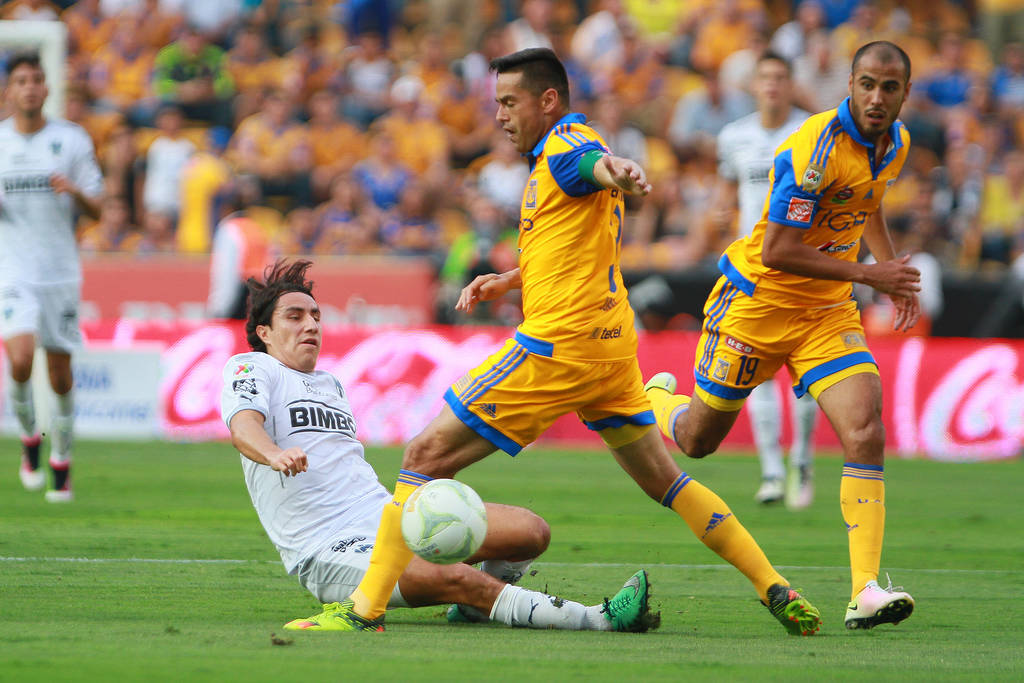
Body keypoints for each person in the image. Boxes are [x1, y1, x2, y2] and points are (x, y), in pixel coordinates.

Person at [332, 48, 822, 635]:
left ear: (548, 100)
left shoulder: (566, 145)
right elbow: (573, 240)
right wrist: (511, 278)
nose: (500, 116)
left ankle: (363, 611)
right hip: (610, 350)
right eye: (496, 104)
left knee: (423, 458)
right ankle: (775, 587)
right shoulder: (553, 158)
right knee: (669, 483)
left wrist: (619, 170)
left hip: (557, 348)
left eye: (509, 102)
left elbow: (594, 165)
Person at [220, 259, 656, 633]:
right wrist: (274, 454)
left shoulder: (330, 383)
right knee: (462, 579)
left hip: (385, 518)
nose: (312, 324)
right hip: (329, 548)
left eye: (316, 315)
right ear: (264, 332)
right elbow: (244, 427)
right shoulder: (251, 367)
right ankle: (596, 619)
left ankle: (472, 610)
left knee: (530, 532)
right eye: (295, 316)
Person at [645, 41, 920, 630]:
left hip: (825, 312)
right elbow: (777, 249)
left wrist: (889, 271)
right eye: (867, 84)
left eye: (889, 88)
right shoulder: (814, 149)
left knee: (866, 430)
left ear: (905, 93)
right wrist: (872, 275)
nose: (876, 97)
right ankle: (656, 401)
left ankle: (865, 589)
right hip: (758, 305)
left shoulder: (895, 144)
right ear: (849, 84)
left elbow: (868, 203)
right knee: (696, 440)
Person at [714, 52, 819, 509]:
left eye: (780, 77)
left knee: (806, 373)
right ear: (753, 85)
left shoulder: (810, 133)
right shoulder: (733, 136)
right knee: (755, 373)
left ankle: (803, 461)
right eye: (765, 77)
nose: (772, 85)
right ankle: (772, 471)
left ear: (791, 84)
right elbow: (727, 191)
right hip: (752, 269)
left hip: (802, 265)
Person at [0, 53, 104, 502]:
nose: (30, 87)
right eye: (21, 80)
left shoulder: (71, 140)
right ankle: (30, 441)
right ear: (9, 90)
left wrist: (75, 191)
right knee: (20, 359)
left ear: (46, 89)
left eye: (36, 80)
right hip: (13, 270)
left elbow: (99, 209)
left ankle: (61, 457)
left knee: (60, 374)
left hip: (60, 272)